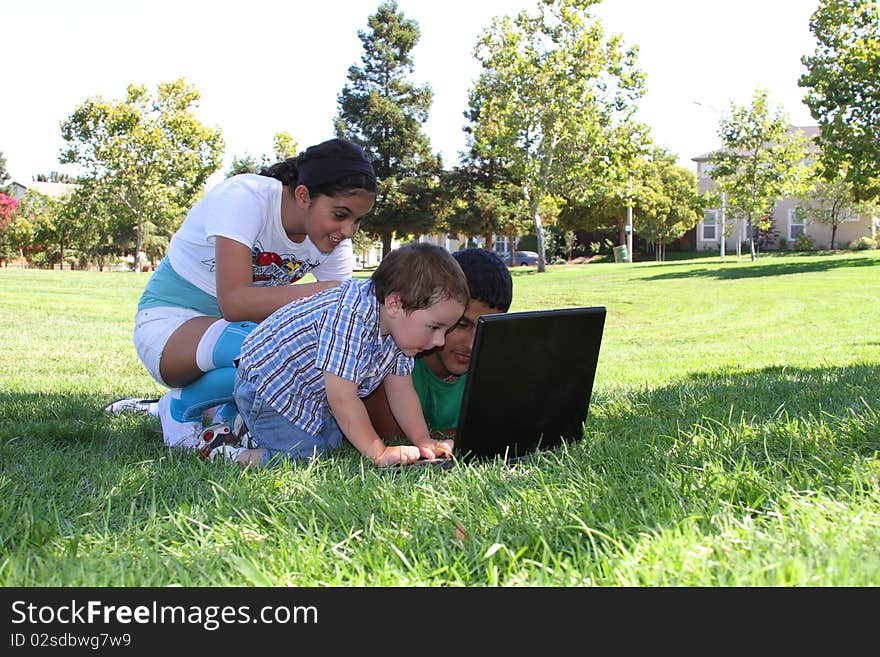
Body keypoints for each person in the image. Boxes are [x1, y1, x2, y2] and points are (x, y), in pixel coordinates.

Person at [108, 138, 377, 449]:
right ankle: (179, 406)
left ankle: (229, 415)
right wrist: (327, 290)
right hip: (170, 325)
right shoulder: (246, 198)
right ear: (303, 196)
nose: (347, 231)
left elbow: (342, 318)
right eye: (341, 214)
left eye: (357, 220)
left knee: (310, 357)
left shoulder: (332, 240)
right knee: (271, 350)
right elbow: (234, 303)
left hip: (239, 336)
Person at [211, 242, 470, 468]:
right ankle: (226, 451)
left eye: (445, 330)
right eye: (434, 327)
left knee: (333, 444)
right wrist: (377, 452)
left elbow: (402, 391)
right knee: (304, 456)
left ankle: (245, 428)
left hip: (309, 392)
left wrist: (423, 440)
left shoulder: (400, 329)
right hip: (270, 386)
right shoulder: (350, 316)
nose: (439, 340)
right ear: (395, 304)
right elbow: (342, 398)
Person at [363, 247, 512, 440]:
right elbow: (394, 437)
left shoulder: (494, 365)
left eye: (486, 328)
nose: (472, 344)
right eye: (461, 324)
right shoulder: (392, 356)